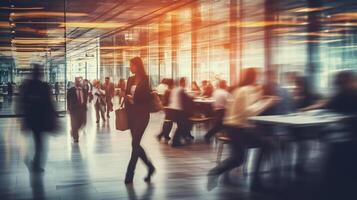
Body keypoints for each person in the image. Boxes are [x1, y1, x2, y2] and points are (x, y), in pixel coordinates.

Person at [207, 67, 279, 191]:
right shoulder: (245, 91)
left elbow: (245, 109)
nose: (260, 79)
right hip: (239, 129)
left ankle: (216, 172)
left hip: (234, 128)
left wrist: (261, 97)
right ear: (254, 77)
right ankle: (255, 182)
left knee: (238, 158)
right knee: (260, 147)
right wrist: (268, 102)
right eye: (258, 76)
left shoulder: (239, 90)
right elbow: (249, 111)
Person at [20, 64, 57, 172]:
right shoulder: (43, 86)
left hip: (33, 119)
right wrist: (54, 115)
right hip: (41, 119)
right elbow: (49, 103)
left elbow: (23, 102)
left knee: (38, 142)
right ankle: (35, 164)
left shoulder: (28, 86)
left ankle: (34, 163)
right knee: (40, 143)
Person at [124, 57, 155, 184]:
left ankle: (129, 173)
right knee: (135, 144)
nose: (130, 67)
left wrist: (134, 100)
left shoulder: (146, 79)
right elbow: (126, 94)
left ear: (137, 66)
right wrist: (127, 98)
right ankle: (150, 167)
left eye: (131, 65)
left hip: (142, 116)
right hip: (131, 115)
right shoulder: (130, 79)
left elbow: (147, 97)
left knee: (135, 143)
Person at [169, 77, 195, 147]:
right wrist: (192, 98)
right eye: (185, 82)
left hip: (173, 109)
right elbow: (186, 99)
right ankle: (175, 142)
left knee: (181, 125)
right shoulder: (181, 90)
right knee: (182, 126)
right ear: (182, 82)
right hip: (179, 110)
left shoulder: (175, 89)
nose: (186, 83)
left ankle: (179, 139)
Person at [67, 77, 87, 143]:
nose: (78, 82)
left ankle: (73, 131)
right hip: (74, 110)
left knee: (83, 122)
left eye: (79, 81)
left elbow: (85, 99)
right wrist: (69, 108)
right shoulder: (70, 90)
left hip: (82, 109)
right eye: (77, 81)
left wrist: (85, 107)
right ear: (75, 82)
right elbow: (68, 100)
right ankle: (76, 138)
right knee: (74, 124)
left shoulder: (84, 90)